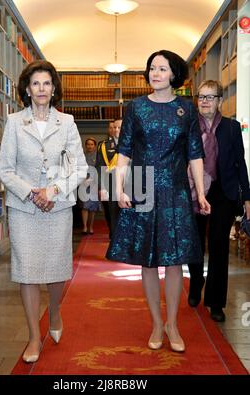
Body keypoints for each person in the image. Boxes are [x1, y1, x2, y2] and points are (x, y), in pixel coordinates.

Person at [106, 50, 210, 353]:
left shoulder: (186, 110)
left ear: (174, 75)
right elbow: (123, 151)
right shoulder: (136, 107)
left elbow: (195, 154)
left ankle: (172, 325)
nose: (155, 73)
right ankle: (155, 323)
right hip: (143, 190)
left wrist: (200, 193)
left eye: (162, 69)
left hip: (176, 192)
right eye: (152, 68)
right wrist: (119, 187)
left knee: (176, 260)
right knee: (148, 261)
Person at [0, 60, 87, 363]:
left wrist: (54, 191)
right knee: (26, 270)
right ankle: (34, 337)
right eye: (35, 83)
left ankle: (56, 311)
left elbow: (79, 167)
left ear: (54, 89)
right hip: (24, 208)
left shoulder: (67, 122)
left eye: (46, 83)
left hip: (58, 206)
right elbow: (5, 170)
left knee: (55, 268)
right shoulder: (13, 122)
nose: (41, 89)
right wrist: (30, 192)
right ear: (27, 88)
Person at [187, 80, 250, 322]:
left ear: (220, 101)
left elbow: (240, 163)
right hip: (195, 191)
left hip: (223, 193)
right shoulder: (190, 127)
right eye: (201, 96)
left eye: (210, 97)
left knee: (219, 246)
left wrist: (247, 196)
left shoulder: (232, 128)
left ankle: (215, 302)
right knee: (195, 244)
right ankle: (195, 284)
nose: (204, 101)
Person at [96, 119, 122, 239]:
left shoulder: (134, 143)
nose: (116, 130)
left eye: (119, 127)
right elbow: (99, 167)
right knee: (111, 213)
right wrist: (101, 187)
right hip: (110, 184)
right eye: (114, 127)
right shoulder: (103, 146)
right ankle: (114, 238)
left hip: (129, 184)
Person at [80, 137, 100, 234]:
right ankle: (84, 227)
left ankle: (90, 227)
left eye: (92, 144)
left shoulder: (98, 156)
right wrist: (83, 180)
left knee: (92, 207)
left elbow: (100, 169)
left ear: (95, 146)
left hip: (94, 184)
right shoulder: (82, 156)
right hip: (84, 183)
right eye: (88, 144)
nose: (90, 146)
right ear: (85, 145)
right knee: (84, 206)